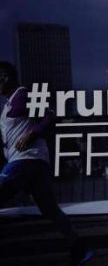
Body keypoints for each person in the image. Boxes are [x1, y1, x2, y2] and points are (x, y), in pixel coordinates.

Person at [0, 61, 93, 265]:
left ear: (5, 77)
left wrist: (30, 135)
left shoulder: (22, 95)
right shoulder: (8, 103)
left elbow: (50, 115)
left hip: (26, 161)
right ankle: (80, 248)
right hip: (31, 163)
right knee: (49, 209)